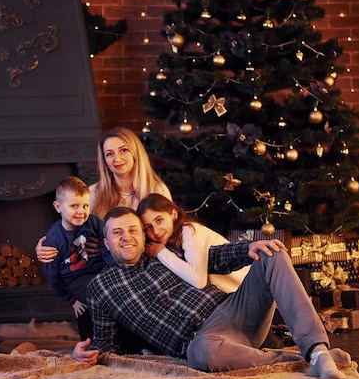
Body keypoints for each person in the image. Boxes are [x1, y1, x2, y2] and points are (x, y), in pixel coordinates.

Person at [72, 207, 350, 379]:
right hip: (203, 341)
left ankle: (316, 350)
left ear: (143, 235)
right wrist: (86, 354)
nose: (126, 237)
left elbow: (212, 257)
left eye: (132, 229)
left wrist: (246, 250)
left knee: (271, 252)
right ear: (106, 244)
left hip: (234, 310)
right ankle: (304, 362)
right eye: (117, 232)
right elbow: (106, 342)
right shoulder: (101, 287)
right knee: (200, 354)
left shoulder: (167, 253)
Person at [36, 127, 172, 263]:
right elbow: (70, 226)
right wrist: (48, 246)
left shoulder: (157, 190)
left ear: (135, 153)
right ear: (105, 161)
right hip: (104, 264)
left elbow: (170, 232)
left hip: (151, 262)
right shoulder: (93, 193)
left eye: (123, 150)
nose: (117, 159)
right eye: (109, 154)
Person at [41, 176, 113, 340]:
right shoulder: (54, 239)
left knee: (113, 288)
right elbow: (51, 274)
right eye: (74, 206)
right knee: (96, 294)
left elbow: (107, 244)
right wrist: (71, 300)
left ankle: (118, 338)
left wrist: (113, 268)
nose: (81, 211)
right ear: (58, 207)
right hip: (75, 279)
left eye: (85, 206)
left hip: (100, 270)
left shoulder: (94, 222)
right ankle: (92, 342)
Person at [136, 193, 248, 293]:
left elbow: (198, 280)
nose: (155, 231)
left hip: (245, 289)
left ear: (173, 214)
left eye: (159, 220)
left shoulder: (190, 230)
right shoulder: (172, 240)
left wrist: (161, 252)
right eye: (148, 227)